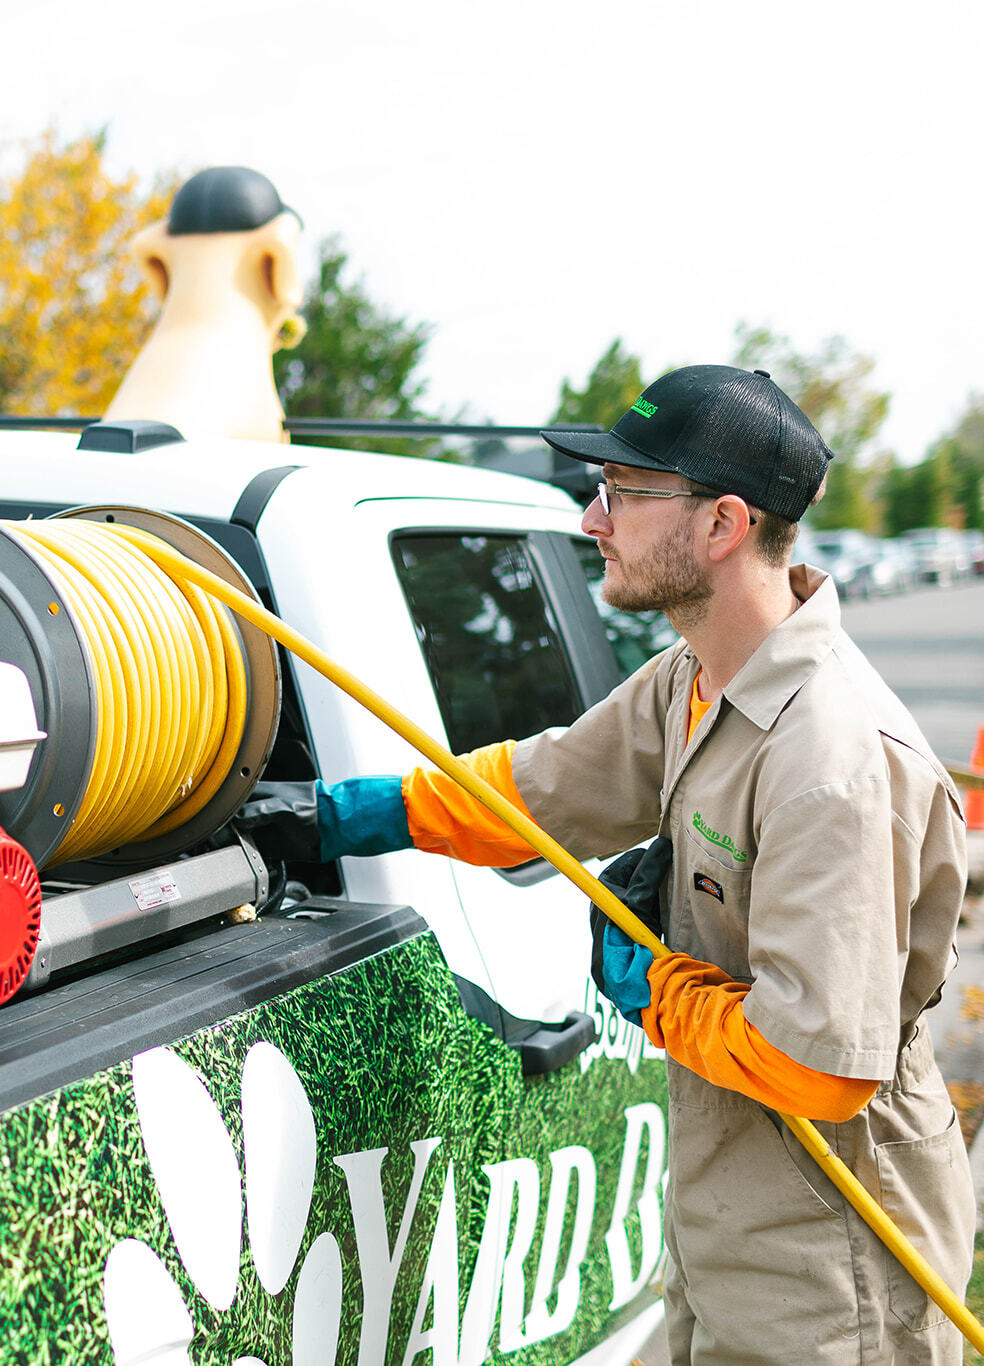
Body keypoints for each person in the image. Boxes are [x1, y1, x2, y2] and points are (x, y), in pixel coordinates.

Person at [312, 365, 973, 1363]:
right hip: (729, 1215)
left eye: (621, 492)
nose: (592, 520)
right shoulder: (695, 679)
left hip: (838, 1253)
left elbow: (819, 1064)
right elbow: (544, 786)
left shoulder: (829, 760)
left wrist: (657, 992)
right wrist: (357, 813)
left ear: (722, 526)